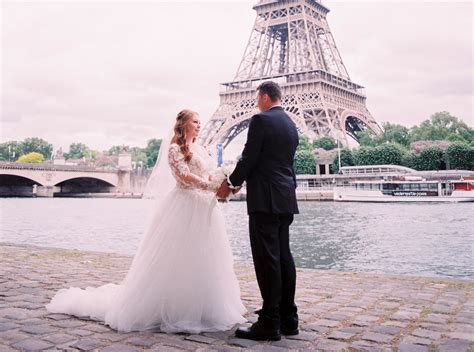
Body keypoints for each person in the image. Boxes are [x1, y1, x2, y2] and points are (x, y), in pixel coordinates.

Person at [46, 109, 247, 333]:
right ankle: (174, 307)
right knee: (179, 257)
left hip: (203, 208)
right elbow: (183, 175)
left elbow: (209, 174)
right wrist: (208, 185)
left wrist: (222, 183)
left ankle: (205, 306)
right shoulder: (174, 149)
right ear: (183, 125)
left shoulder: (201, 148)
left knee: (206, 257)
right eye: (195, 122)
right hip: (185, 206)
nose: (200, 125)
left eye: (201, 122)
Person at [217, 81, 299, 341]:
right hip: (285, 198)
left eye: (257, 98)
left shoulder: (261, 121)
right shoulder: (290, 123)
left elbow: (249, 157)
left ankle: (268, 322)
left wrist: (230, 183)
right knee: (284, 257)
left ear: (264, 97)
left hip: (265, 199)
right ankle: (289, 318)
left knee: (267, 260)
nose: (255, 102)